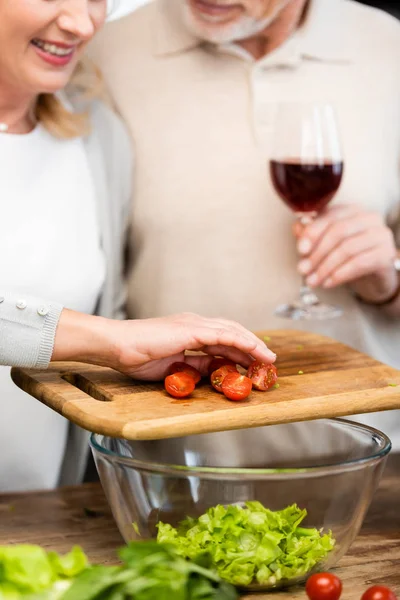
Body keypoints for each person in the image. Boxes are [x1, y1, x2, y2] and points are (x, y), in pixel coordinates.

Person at [90, 0, 400, 448]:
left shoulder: (388, 47)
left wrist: (389, 280)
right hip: (169, 457)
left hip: (367, 454)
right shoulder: (102, 52)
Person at [0, 0, 275, 493]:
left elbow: (107, 308)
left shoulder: (96, 134)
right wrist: (109, 340)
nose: (82, 23)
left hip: (37, 515)